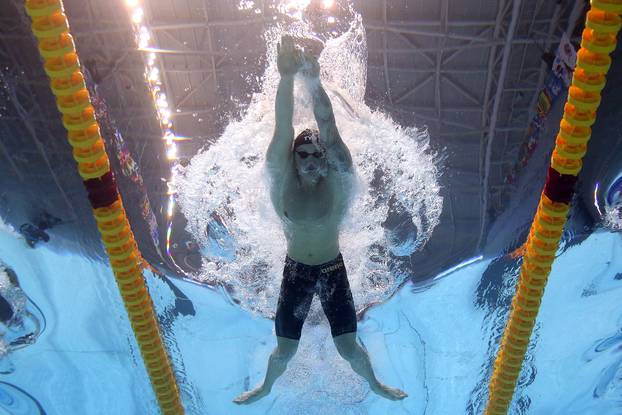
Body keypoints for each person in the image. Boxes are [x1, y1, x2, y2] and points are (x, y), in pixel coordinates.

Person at [233, 35, 407, 404]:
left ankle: (375, 384)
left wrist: (312, 81)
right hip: (295, 270)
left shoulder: (339, 177)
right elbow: (283, 129)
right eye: (303, 154)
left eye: (316, 154)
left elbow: (328, 126)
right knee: (285, 352)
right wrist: (285, 78)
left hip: (332, 269)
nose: (311, 160)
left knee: (347, 348)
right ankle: (265, 387)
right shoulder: (281, 177)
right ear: (293, 158)